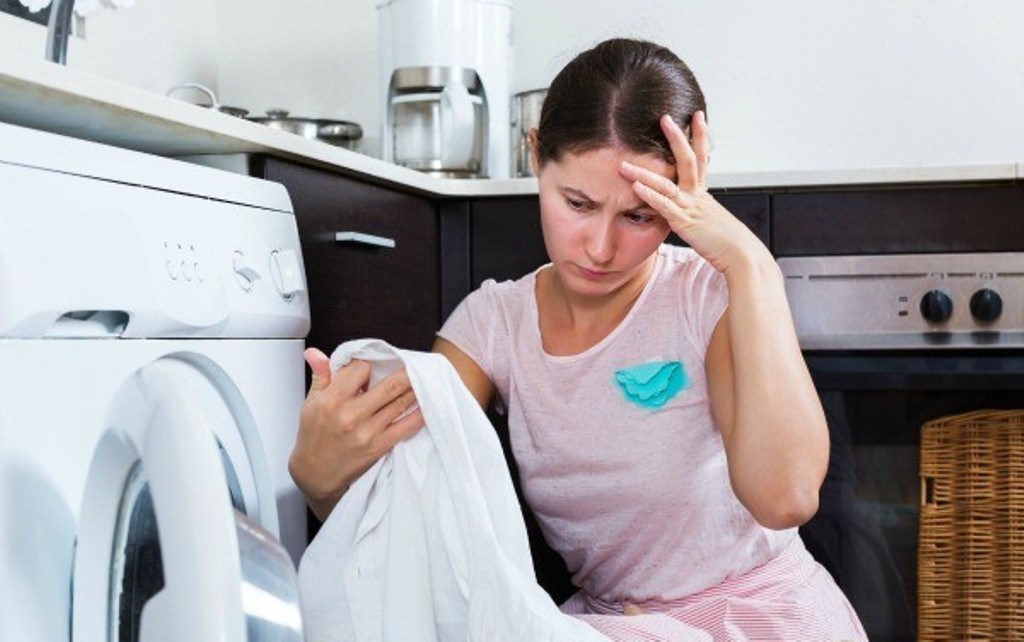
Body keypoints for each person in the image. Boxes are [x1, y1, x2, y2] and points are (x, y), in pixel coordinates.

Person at [290, 38, 866, 640]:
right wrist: (318, 475)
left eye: (639, 215)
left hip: (755, 618)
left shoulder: (705, 296)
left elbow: (786, 499)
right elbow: (401, 526)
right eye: (578, 203)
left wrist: (752, 264)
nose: (600, 248)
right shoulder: (494, 324)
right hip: (611, 628)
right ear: (537, 155)